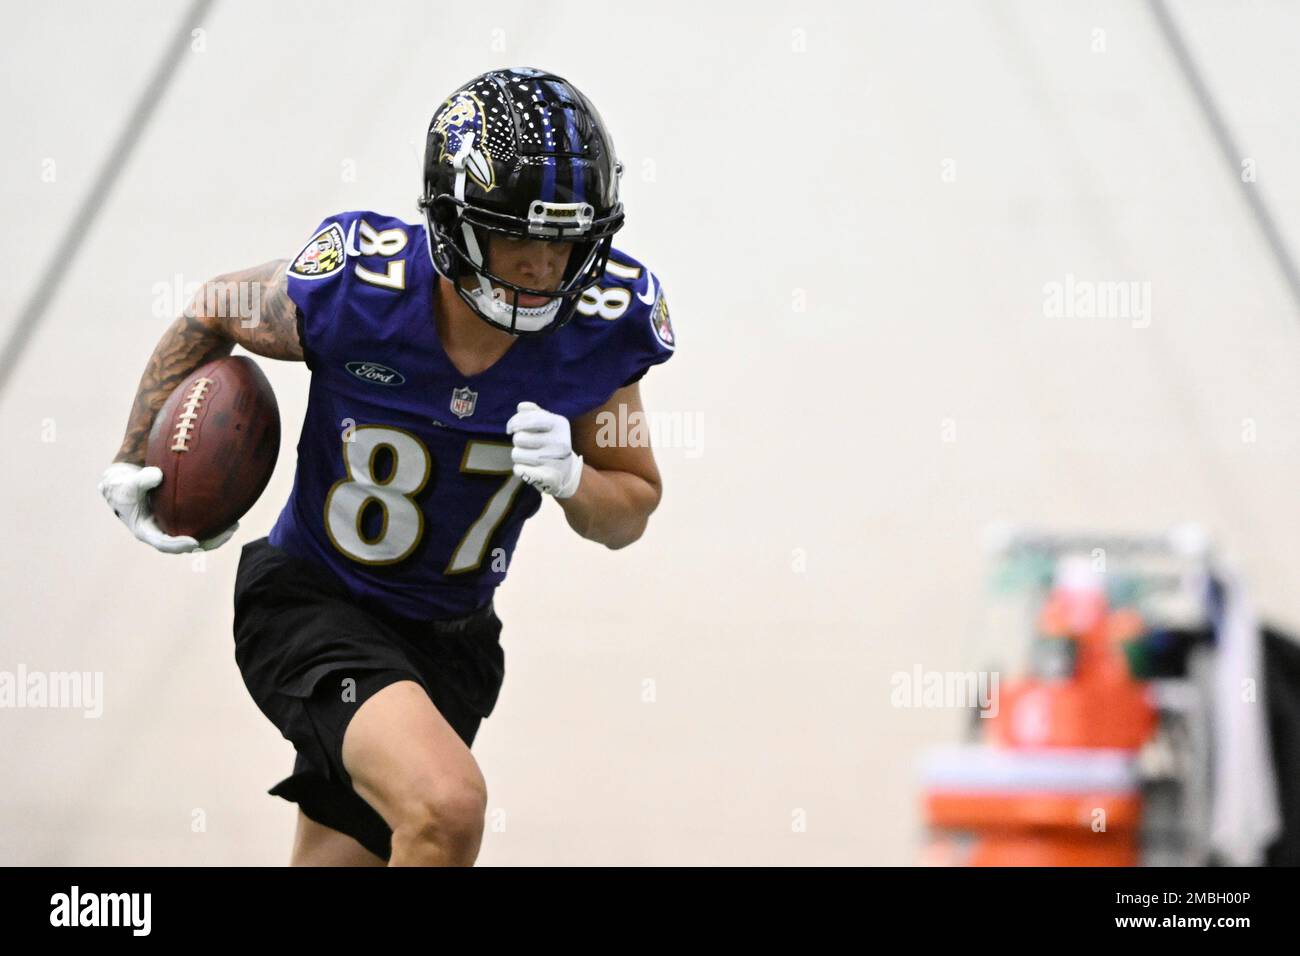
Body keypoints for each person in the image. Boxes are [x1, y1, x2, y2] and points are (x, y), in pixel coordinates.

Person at [97, 67, 676, 866]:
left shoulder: (601, 329)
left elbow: (632, 505)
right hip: (314, 605)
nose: (546, 266)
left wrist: (577, 483)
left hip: (450, 643)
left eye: (565, 239)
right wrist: (135, 455)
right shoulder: (359, 290)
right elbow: (214, 308)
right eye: (520, 235)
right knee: (447, 805)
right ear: (455, 222)